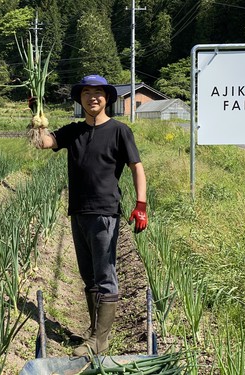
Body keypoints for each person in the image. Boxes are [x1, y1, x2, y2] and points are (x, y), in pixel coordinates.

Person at [33, 74, 148, 357]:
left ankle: (100, 340)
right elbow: (43, 143)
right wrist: (36, 116)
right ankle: (94, 333)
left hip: (105, 212)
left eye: (98, 92)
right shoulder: (73, 132)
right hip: (78, 212)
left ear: (106, 98)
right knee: (89, 277)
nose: (92, 97)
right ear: (80, 99)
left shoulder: (120, 131)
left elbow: (136, 167)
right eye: (87, 92)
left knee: (105, 276)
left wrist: (141, 204)